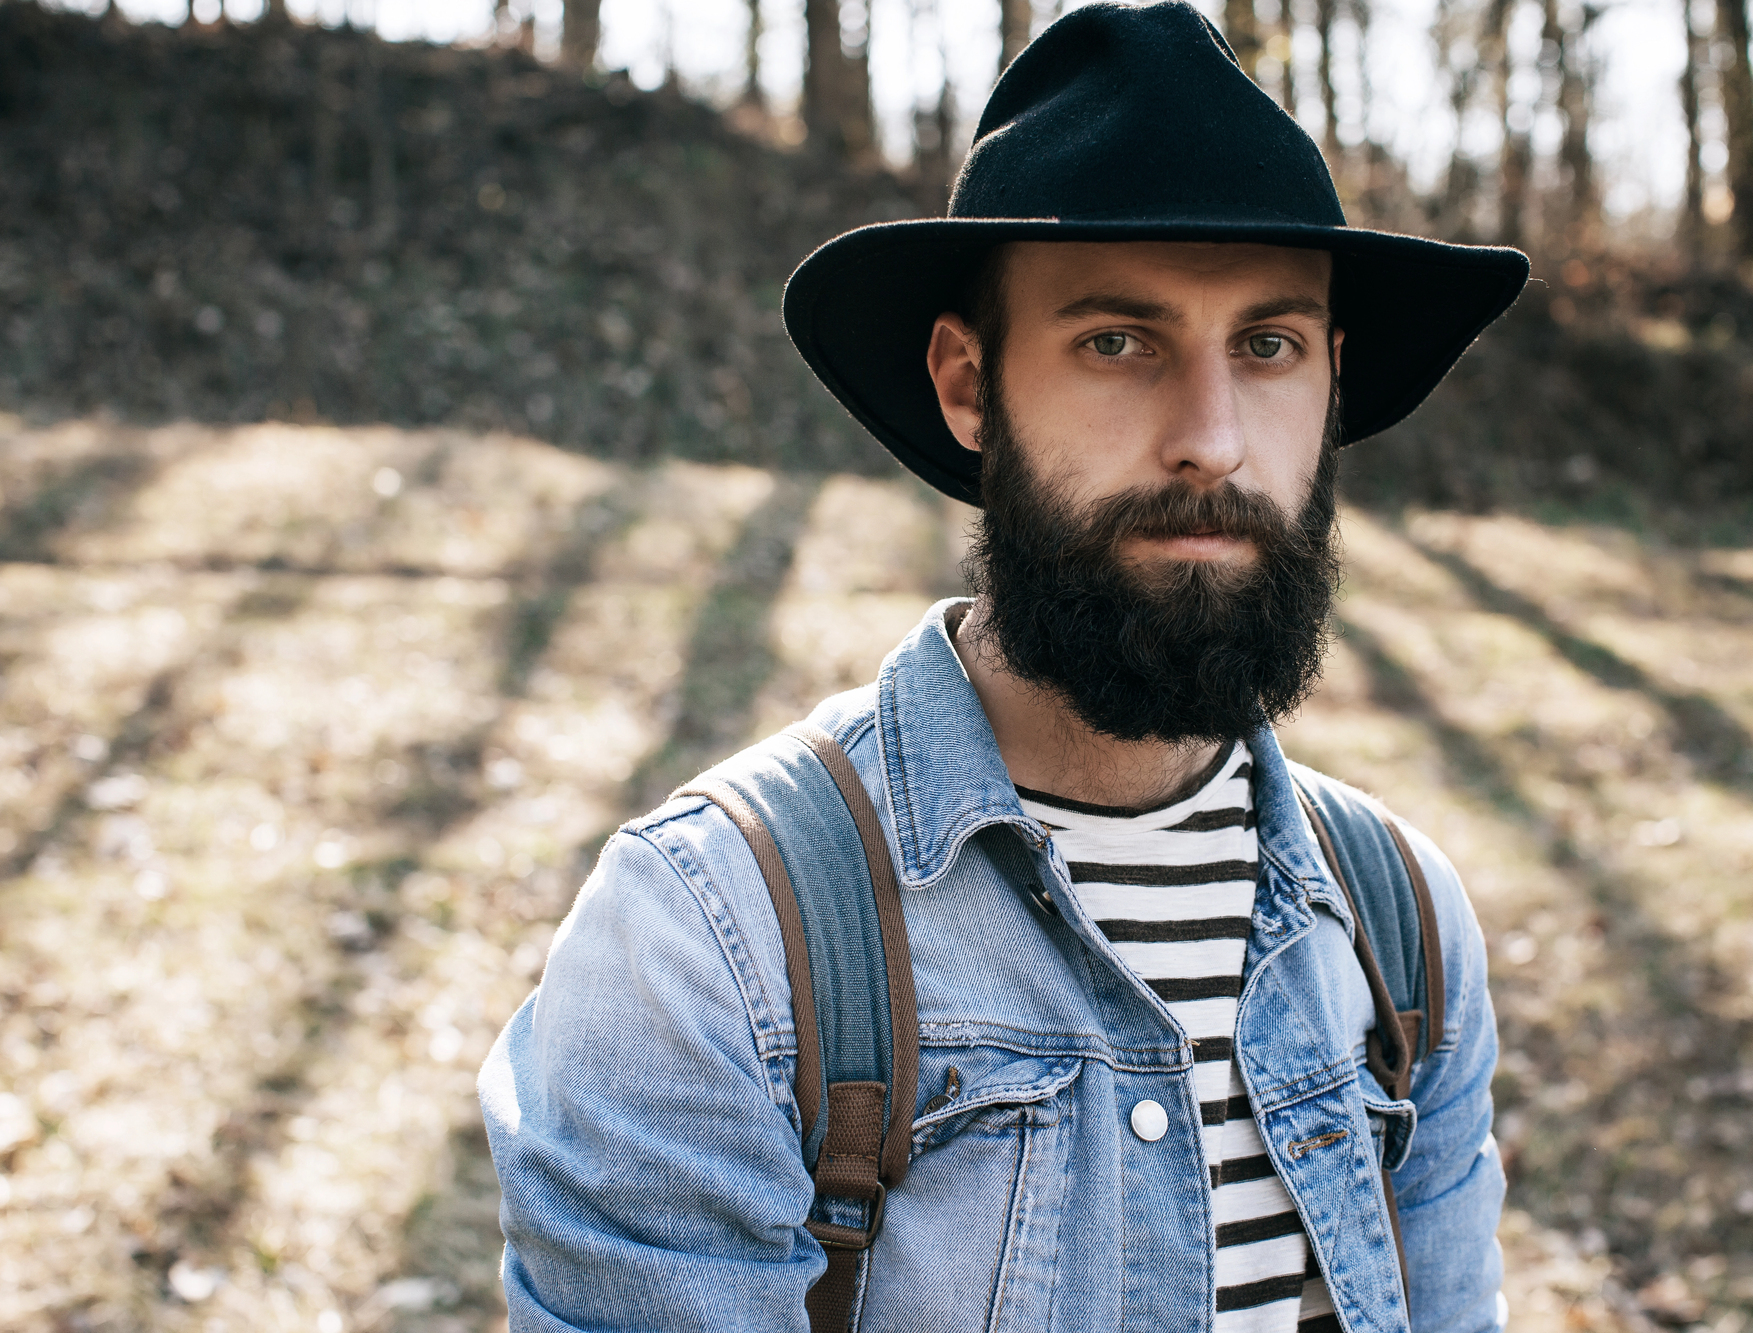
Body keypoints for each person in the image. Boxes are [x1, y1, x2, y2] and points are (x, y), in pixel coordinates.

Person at [479, 3, 1529, 1330]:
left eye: (1268, 345)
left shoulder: (1404, 933)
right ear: (969, 386)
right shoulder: (709, 943)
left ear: (1331, 380)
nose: (1211, 439)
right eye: (1119, 342)